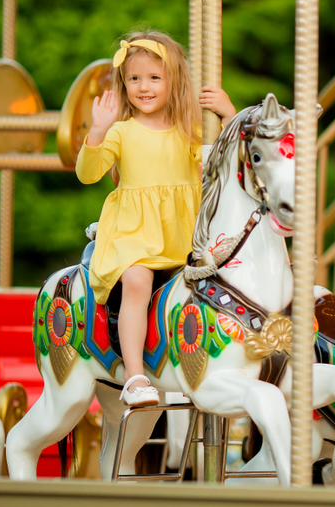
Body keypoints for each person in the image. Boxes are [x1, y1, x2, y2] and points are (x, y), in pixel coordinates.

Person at [77, 29, 235, 406]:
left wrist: (229, 115)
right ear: (124, 84)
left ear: (173, 81)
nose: (143, 87)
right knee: (136, 279)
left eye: (153, 78)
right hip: (134, 234)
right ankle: (134, 376)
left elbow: (227, 160)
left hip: (183, 235)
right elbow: (88, 172)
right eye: (134, 79)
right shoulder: (121, 131)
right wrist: (98, 130)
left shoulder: (190, 131)